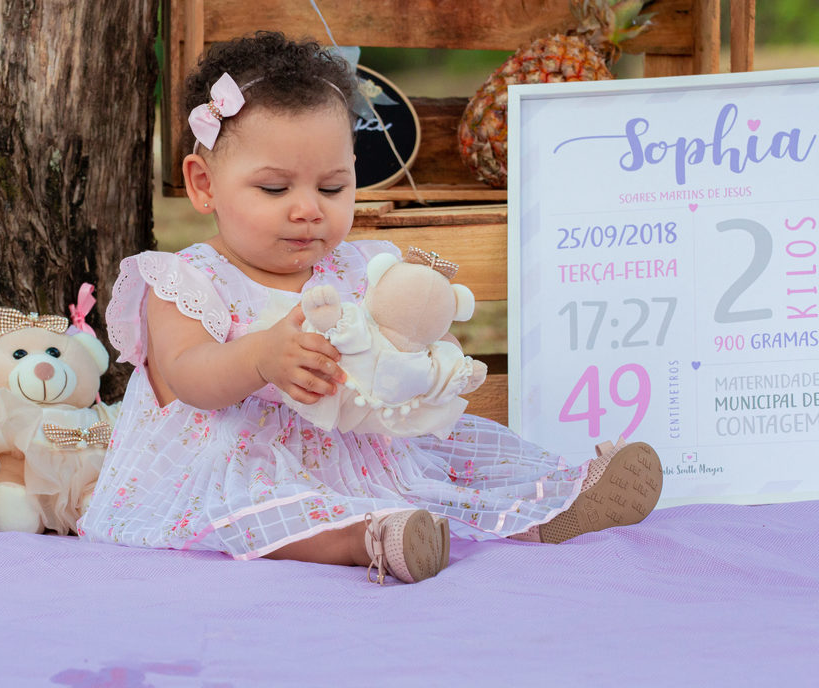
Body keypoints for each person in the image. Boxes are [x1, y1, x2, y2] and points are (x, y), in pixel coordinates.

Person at [77, 31, 662, 584]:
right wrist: (260, 358)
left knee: (450, 467)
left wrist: (420, 357)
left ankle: (549, 507)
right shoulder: (187, 279)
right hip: (237, 455)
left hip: (362, 448)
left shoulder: (357, 267)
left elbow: (396, 337)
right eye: (275, 189)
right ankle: (369, 540)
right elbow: (187, 376)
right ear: (204, 184)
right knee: (261, 507)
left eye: (332, 187)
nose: (308, 209)